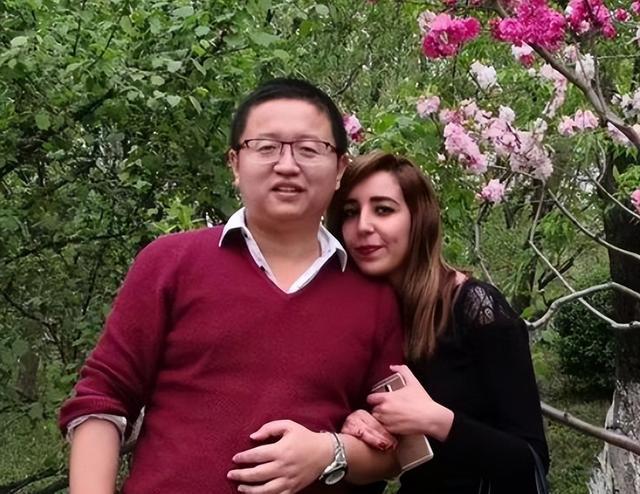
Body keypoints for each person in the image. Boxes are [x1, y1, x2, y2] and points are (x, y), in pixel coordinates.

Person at [58, 80, 404, 494]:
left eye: (309, 149)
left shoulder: (372, 299)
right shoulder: (171, 263)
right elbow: (103, 397)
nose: (287, 165)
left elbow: (393, 448)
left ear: (340, 169)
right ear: (236, 164)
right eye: (266, 147)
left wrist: (329, 451)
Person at [326, 151, 549, 494]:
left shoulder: (475, 308)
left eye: (383, 209)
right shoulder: (361, 320)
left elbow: (530, 462)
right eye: (350, 212)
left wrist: (437, 420)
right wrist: (351, 436)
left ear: (419, 219)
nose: (363, 226)